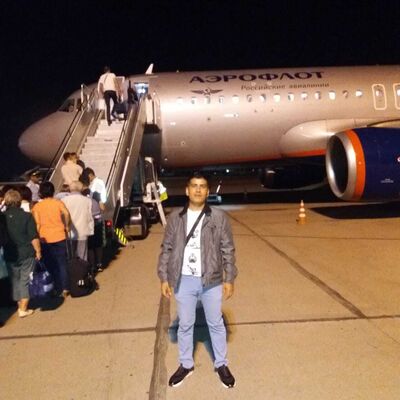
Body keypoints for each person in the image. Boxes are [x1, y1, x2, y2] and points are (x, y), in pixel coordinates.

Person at [157, 172, 238, 388]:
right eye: (194, 185)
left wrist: (229, 278)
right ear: (187, 190)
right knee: (185, 324)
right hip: (183, 279)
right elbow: (167, 248)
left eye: (202, 186)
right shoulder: (176, 217)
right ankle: (186, 364)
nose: (198, 189)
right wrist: (164, 277)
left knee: (216, 323)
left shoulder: (218, 217)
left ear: (208, 191)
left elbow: (227, 249)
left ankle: (221, 364)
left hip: (211, 280)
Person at [3, 190, 41, 318]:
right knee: (25, 280)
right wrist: (38, 251)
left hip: (9, 253)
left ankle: (20, 305)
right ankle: (23, 309)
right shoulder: (27, 216)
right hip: (26, 252)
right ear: (19, 201)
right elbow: (33, 236)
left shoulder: (2, 217)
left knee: (15, 280)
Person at [32, 182, 71, 297]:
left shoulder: (37, 207)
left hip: (44, 238)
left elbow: (37, 224)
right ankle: (65, 288)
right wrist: (67, 226)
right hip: (59, 235)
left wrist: (36, 236)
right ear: (53, 191)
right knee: (62, 263)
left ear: (40, 192)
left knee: (50, 264)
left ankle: (54, 288)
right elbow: (66, 213)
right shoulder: (57, 203)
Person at [61, 181, 94, 261]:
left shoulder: (63, 200)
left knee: (70, 255)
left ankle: (72, 268)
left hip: (69, 232)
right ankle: (83, 268)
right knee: (82, 255)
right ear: (81, 189)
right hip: (83, 230)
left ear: (70, 188)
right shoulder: (87, 200)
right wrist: (90, 230)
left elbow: (62, 216)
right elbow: (90, 216)